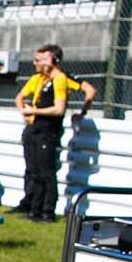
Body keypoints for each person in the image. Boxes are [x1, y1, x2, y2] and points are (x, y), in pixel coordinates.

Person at [12, 43, 94, 222]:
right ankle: (32, 206)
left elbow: (59, 108)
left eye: (41, 59)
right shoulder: (40, 78)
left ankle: (46, 211)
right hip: (35, 128)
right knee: (33, 169)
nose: (37, 63)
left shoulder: (61, 79)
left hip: (48, 129)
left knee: (46, 171)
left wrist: (82, 112)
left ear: (53, 60)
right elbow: (19, 97)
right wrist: (26, 113)